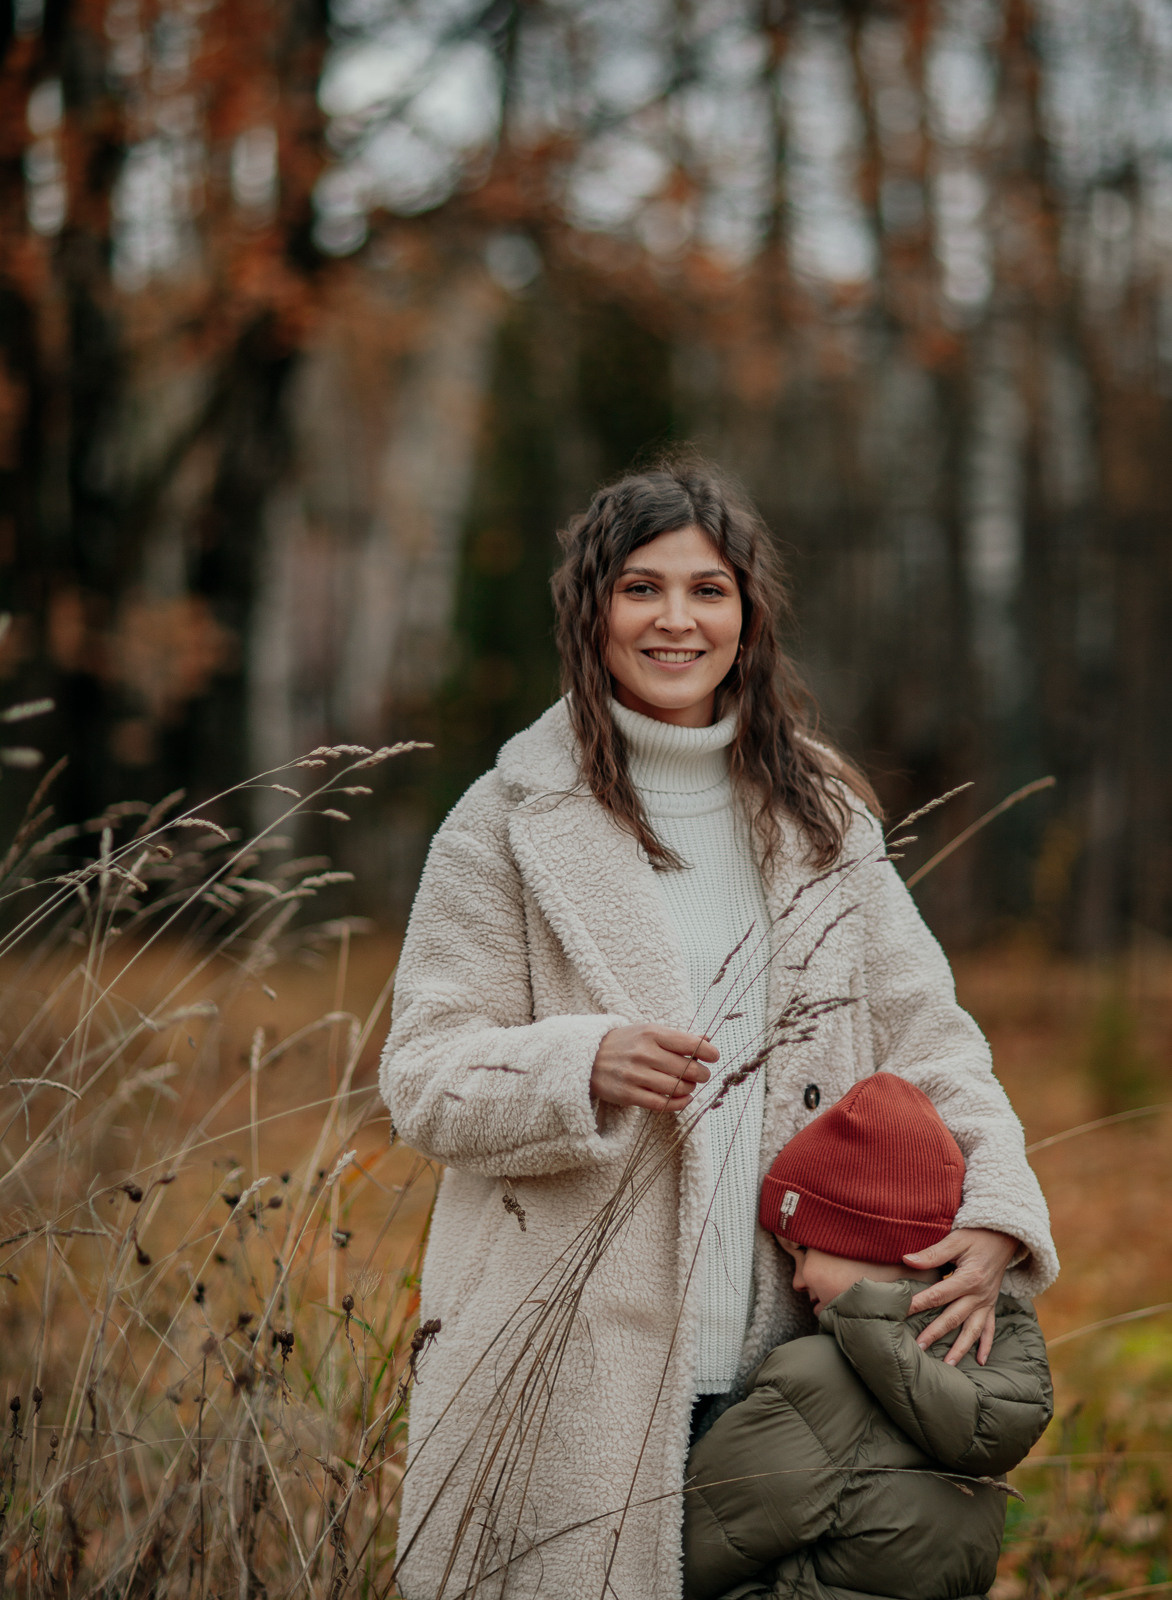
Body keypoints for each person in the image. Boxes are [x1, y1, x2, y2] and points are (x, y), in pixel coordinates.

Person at [378, 461, 1058, 1600]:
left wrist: (996, 1212)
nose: (675, 620)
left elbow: (930, 1041)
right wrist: (577, 1062)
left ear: (747, 615)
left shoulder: (820, 814)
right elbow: (422, 1073)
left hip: (787, 1345)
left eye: (707, 589)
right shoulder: (506, 821)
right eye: (641, 589)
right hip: (565, 1353)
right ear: (591, 610)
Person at [682, 1071, 1053, 1600]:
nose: (797, 1279)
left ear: (871, 1240)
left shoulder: (818, 1382)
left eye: (804, 1251)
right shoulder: (989, 1358)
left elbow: (682, 1556)